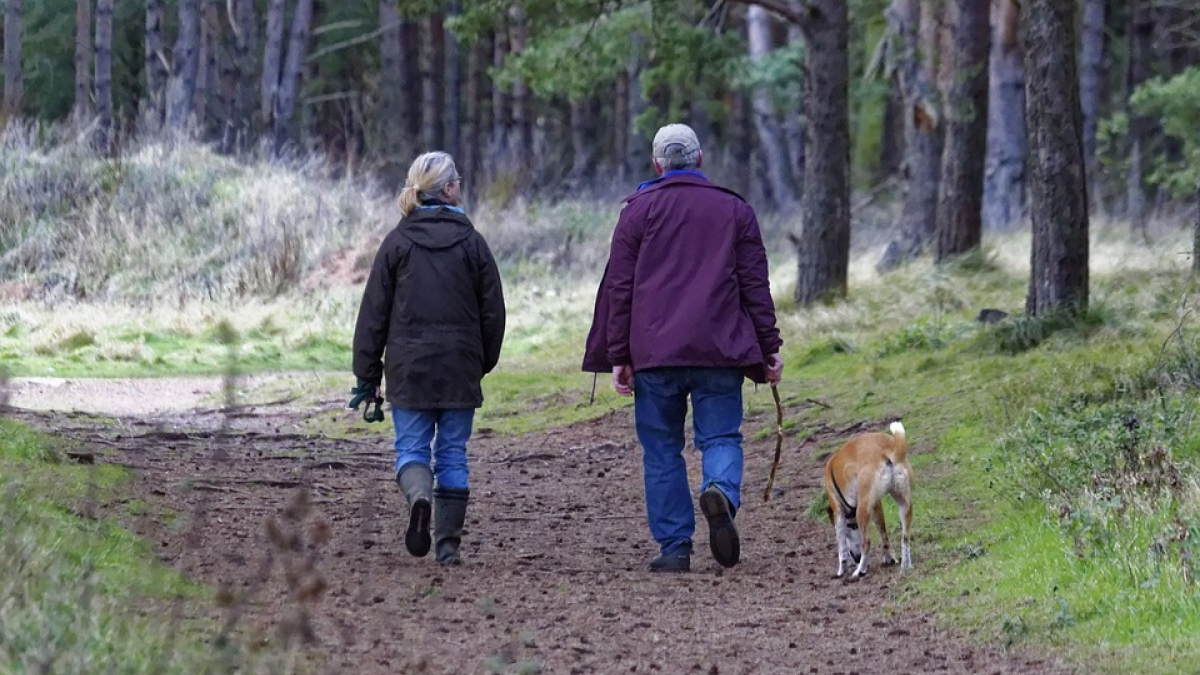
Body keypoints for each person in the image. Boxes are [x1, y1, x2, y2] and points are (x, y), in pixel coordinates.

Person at [583, 124, 784, 573]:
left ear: (657, 165)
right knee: (720, 437)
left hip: (655, 356)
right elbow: (755, 286)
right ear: (700, 159)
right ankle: (720, 493)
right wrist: (769, 346)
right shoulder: (734, 210)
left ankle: (675, 547)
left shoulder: (636, 213)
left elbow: (620, 288)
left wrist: (619, 355)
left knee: (661, 450)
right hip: (720, 350)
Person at [349, 151, 506, 566]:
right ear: (449, 188)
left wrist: (367, 376)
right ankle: (448, 545)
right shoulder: (473, 242)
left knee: (412, 451)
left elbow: (373, 315)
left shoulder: (397, 243)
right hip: (459, 367)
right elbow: (493, 312)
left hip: (409, 368)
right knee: (453, 453)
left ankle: (419, 497)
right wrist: (482, 362)